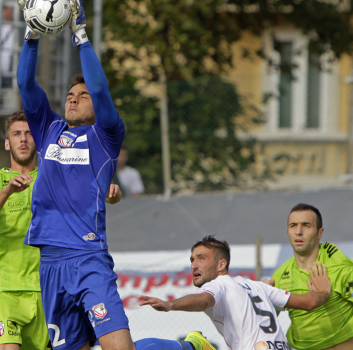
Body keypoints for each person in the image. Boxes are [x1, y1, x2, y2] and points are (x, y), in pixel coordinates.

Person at [16, 2, 212, 350]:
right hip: (49, 262)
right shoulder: (48, 129)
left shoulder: (105, 136)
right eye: (70, 95)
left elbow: (103, 90)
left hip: (88, 258)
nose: (74, 100)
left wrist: (81, 38)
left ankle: (189, 347)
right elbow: (26, 85)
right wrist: (32, 35)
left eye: (83, 95)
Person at [0, 112, 123, 350]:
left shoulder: (54, 175)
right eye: (17, 134)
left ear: (39, 140)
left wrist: (111, 193)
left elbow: (89, 194)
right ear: (7, 142)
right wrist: (7, 191)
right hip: (5, 286)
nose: (23, 139)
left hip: (47, 285)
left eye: (29, 133)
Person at [139, 235, 332, 350]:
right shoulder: (259, 286)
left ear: (221, 264)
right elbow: (309, 302)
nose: (194, 265)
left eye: (201, 258)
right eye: (192, 260)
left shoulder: (218, 284)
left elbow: (203, 300)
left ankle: (196, 346)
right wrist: (323, 293)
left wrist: (169, 304)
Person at [268, 203, 353, 350]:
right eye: (293, 225)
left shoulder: (339, 266)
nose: (298, 231)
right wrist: (264, 298)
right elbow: (266, 321)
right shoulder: (281, 274)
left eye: (306, 225)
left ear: (320, 232)